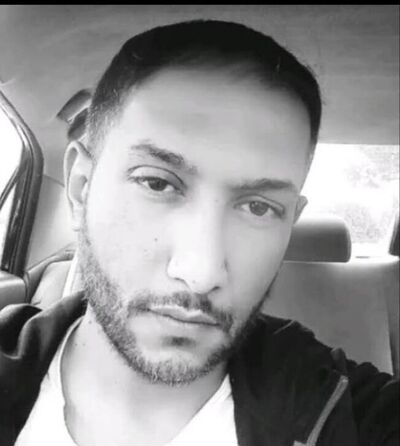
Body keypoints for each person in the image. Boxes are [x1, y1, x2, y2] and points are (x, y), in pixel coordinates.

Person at [0, 20, 398, 446]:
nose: (201, 272)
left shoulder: (349, 412)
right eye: (157, 183)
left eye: (259, 207)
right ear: (81, 189)